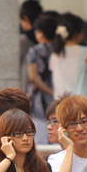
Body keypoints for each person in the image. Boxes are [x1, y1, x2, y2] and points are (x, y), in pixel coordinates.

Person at [49, 13, 87, 102]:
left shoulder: (55, 55)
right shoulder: (86, 52)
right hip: (82, 105)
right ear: (79, 33)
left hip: (60, 104)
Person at [26, 14, 57, 146]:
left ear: (40, 32)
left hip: (38, 100)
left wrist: (48, 90)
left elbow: (33, 76)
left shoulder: (34, 50)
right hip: (57, 98)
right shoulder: (59, 48)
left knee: (41, 142)